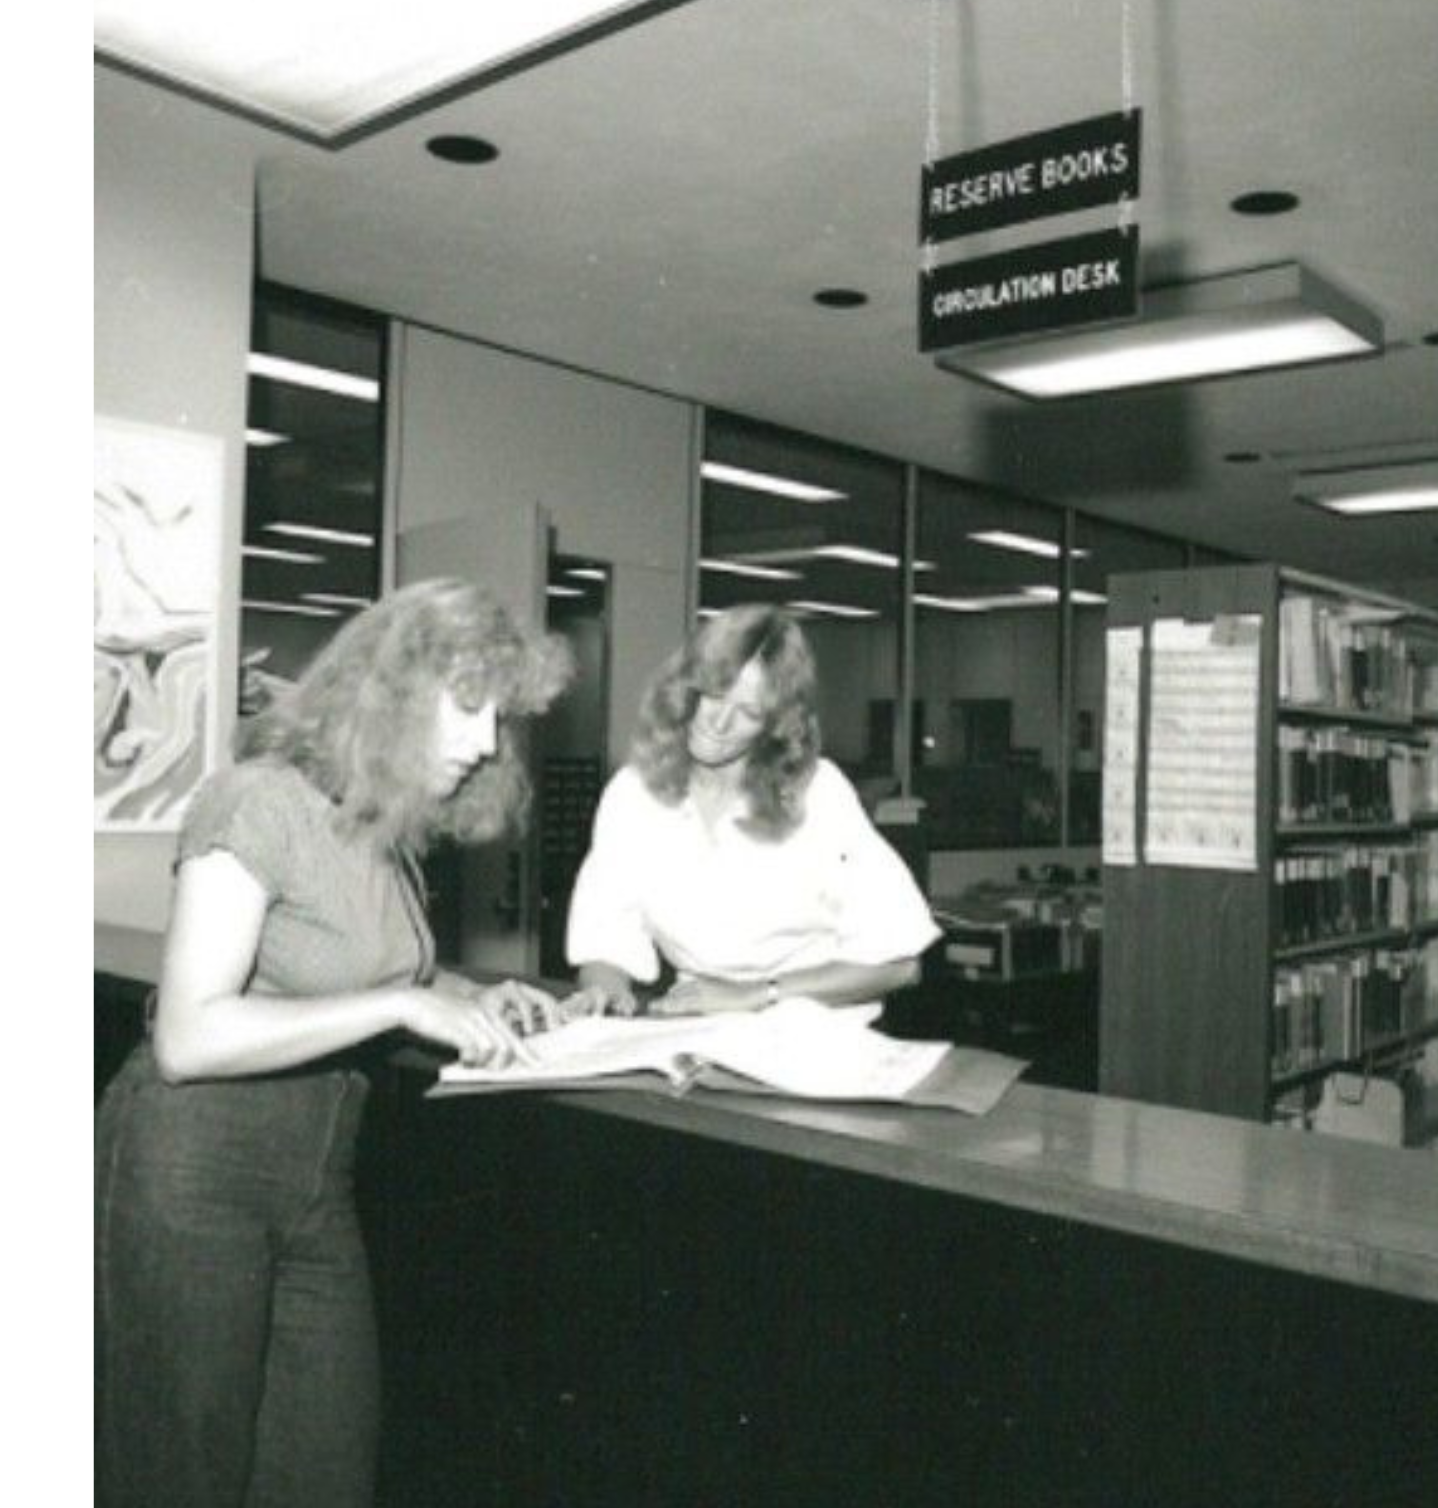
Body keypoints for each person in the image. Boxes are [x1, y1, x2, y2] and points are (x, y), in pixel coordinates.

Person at [95, 578, 575, 1508]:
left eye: (498, 716)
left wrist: (471, 995)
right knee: (179, 1479)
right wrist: (401, 1006)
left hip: (315, 1183)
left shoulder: (378, 826)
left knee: (326, 1474)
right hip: (192, 1171)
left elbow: (353, 969)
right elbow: (188, 1036)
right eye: (469, 706)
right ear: (390, 695)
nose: (488, 741)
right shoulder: (254, 803)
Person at [565, 603, 939, 1018]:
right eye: (713, 696)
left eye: (748, 712)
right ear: (685, 688)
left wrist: (755, 995)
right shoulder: (633, 792)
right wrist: (603, 991)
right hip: (697, 1021)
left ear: (776, 725)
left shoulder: (817, 793)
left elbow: (901, 964)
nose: (719, 724)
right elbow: (605, 942)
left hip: (811, 1027)